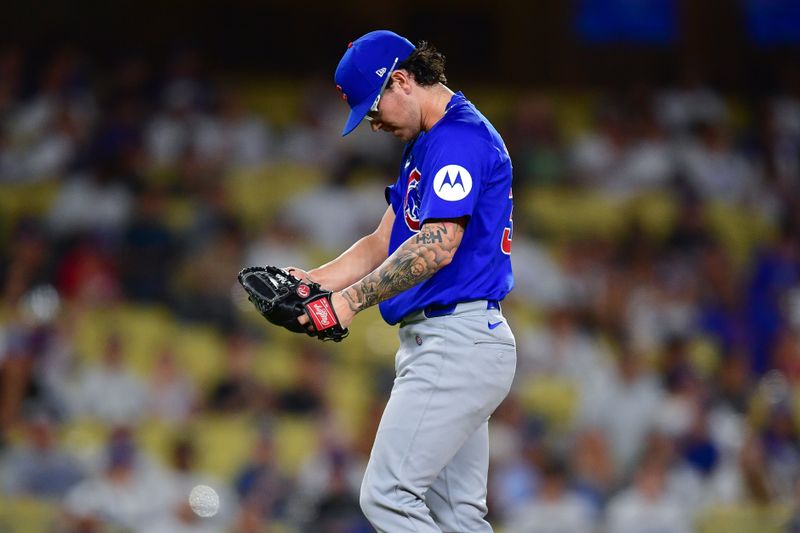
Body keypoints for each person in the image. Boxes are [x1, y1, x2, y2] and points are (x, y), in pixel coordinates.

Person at [290, 29, 516, 533]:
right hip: (451, 341)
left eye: (373, 110)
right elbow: (382, 241)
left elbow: (437, 244)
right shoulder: (427, 141)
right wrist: (312, 281)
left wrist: (348, 302)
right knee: (457, 517)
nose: (373, 125)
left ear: (401, 80)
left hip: (456, 341)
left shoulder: (458, 138)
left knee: (387, 497)